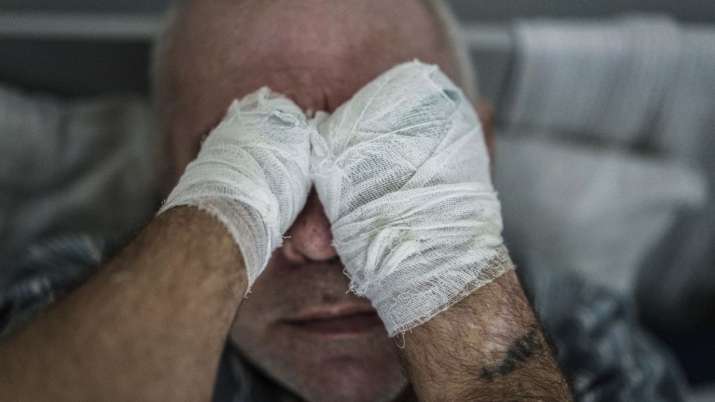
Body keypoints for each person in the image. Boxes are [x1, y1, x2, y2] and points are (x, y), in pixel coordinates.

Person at [0, 1, 685, 401]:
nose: (317, 240)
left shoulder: (576, 333)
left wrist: (436, 260)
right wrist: (230, 210)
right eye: (232, 155)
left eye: (398, 152)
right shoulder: (64, 301)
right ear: (167, 172)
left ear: (479, 149)